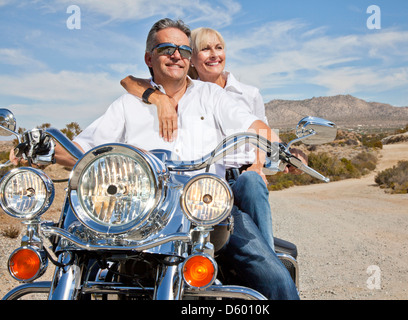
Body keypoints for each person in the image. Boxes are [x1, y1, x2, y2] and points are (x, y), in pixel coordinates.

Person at [11, 18, 299, 300]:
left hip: (204, 210)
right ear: (149, 58)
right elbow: (79, 150)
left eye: (184, 50)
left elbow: (255, 127)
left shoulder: (211, 96)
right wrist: (41, 147)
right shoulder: (127, 105)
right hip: (132, 214)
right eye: (166, 49)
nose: (176, 55)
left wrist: (275, 146)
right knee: (80, 260)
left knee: (272, 276)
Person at [121, 27, 307, 251]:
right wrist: (159, 99)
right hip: (203, 180)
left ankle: (267, 260)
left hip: (243, 176)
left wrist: (263, 164)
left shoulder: (248, 94)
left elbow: (261, 131)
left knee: (251, 183)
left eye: (219, 48)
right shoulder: (183, 90)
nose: (214, 54)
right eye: (205, 49)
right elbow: (129, 81)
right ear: (192, 59)